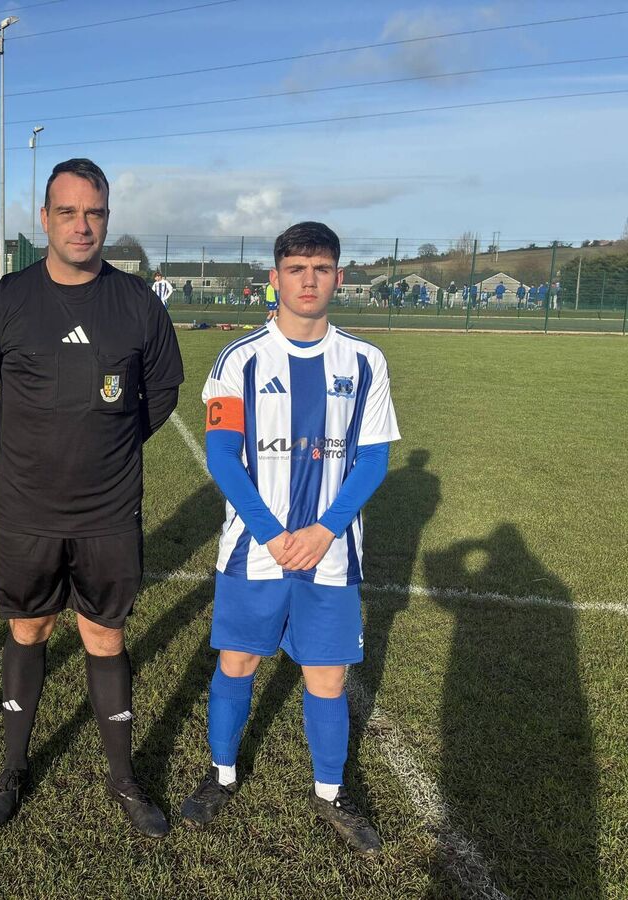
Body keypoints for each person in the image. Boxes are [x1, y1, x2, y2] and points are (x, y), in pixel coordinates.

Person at [0, 158, 184, 838]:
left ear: (107, 219)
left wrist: (109, 447)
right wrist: (18, 454)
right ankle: (12, 767)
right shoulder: (7, 300)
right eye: (68, 212)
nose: (81, 225)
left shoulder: (137, 303)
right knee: (28, 628)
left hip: (107, 510)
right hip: (25, 508)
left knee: (105, 634)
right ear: (45, 219)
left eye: (94, 213)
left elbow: (162, 391)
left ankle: (123, 778)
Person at [180, 221, 400, 858]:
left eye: (321, 268)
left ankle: (330, 792)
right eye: (297, 269)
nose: (309, 281)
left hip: (330, 554)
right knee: (237, 663)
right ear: (274, 279)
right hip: (256, 549)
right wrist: (273, 534)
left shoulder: (365, 361)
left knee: (327, 676)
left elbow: (373, 461)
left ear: (338, 277)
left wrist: (325, 529)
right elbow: (223, 458)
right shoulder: (239, 359)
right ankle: (222, 775)